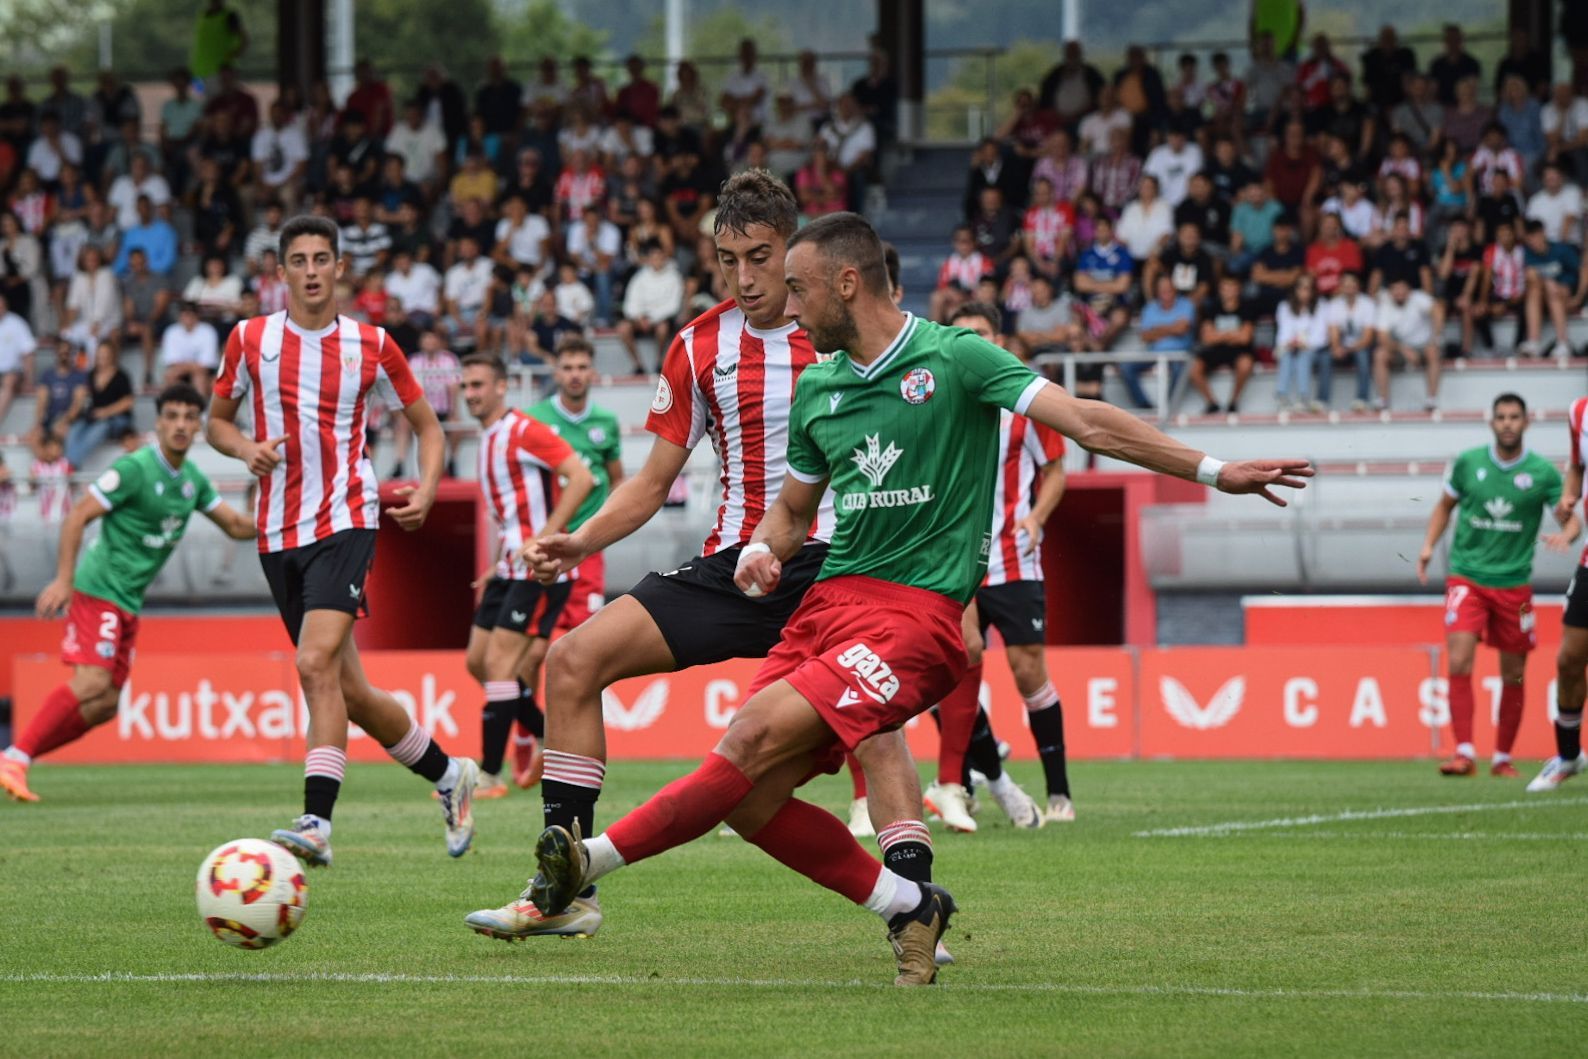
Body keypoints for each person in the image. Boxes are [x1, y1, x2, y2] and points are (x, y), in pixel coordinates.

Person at [492, 210, 1311, 985]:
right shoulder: (823, 391)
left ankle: (586, 861)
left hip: (912, 615)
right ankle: (911, 903)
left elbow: (1088, 423)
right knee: (750, 798)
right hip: (823, 606)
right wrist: (760, 553)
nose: (790, 312)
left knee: (751, 745)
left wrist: (1214, 469)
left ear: (847, 283)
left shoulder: (958, 358)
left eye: (800, 289)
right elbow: (792, 510)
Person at [462, 172, 936, 946]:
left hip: (839, 566)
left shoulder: (851, 331)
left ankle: (916, 907)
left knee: (874, 727)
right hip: (735, 567)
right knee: (574, 660)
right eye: (727, 261)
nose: (745, 278)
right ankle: (560, 888)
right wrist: (579, 539)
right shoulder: (698, 345)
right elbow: (652, 483)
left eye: (759, 257)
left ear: (795, 249)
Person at [207, 215, 473, 866]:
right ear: (280, 272)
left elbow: (429, 427)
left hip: (346, 516)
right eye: (298, 260)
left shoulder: (374, 344)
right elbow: (216, 422)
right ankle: (449, 773)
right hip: (277, 527)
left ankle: (317, 823)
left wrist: (430, 486)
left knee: (311, 662)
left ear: (340, 268)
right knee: (347, 689)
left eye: (322, 258)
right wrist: (246, 448)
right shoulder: (248, 340)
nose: (312, 270)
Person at [0, 385, 257, 803]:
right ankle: (16, 756)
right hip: (99, 588)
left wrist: (289, 521)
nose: (180, 425)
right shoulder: (136, 468)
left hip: (127, 603)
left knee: (107, 704)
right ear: (157, 422)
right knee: (92, 681)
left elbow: (236, 526)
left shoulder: (191, 482)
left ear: (199, 426)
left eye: (189, 417)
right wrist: (63, 580)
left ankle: (15, 756)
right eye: (171, 416)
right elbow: (78, 515)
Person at [943, 302, 1075, 824]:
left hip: (1013, 555)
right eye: (962, 336)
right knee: (951, 664)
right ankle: (971, 778)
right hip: (955, 561)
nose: (972, 342)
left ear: (997, 339)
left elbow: (1058, 471)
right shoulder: (936, 398)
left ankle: (1059, 793)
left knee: (1027, 671)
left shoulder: (1026, 399)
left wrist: (1038, 516)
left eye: (980, 333)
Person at [462, 354, 594, 801]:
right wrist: (496, 561)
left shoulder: (521, 430)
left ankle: (489, 774)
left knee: (501, 666)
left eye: (478, 384)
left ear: (502, 386)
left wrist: (546, 536)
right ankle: (545, 734)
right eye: (465, 387)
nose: (470, 394)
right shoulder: (488, 439)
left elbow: (581, 477)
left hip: (538, 570)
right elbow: (511, 515)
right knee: (477, 662)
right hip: (508, 567)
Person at [1417, 394, 1569, 779]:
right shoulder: (1469, 463)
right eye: (1500, 417)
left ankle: (1502, 757)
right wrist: (1428, 545)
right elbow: (1444, 507)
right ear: (1491, 423)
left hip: (1515, 587)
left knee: (1514, 674)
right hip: (1467, 576)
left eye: (1514, 417)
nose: (1507, 423)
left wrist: (1568, 532)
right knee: (1457, 659)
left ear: (1526, 423)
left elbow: (1571, 517)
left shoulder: (1542, 473)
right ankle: (1464, 752)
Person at [1531, 397, 1588, 792]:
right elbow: (1576, 467)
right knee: (1569, 659)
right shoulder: (1579, 412)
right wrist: (1570, 498)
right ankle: (1568, 756)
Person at [1520, 219, 1587, 359]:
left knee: (1552, 289)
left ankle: (1563, 343)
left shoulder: (1561, 249)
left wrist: (1578, 298)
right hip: (1543, 299)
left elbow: (1583, 271)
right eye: (1530, 238)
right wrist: (1546, 282)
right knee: (1536, 288)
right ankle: (1534, 342)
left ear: (1543, 234)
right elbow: (1529, 278)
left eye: (1535, 236)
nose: (1533, 241)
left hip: (1566, 294)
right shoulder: (1528, 254)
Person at [1373, 278, 1444, 411]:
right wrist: (1403, 349)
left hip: (1424, 345)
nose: (1399, 292)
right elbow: (1382, 338)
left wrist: (1435, 338)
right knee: (1380, 354)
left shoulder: (1419, 298)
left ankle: (1431, 399)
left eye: (1402, 288)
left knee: (1433, 351)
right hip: (1400, 348)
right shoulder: (1385, 304)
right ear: (1390, 292)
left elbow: (1437, 311)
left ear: (1410, 290)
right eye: (1395, 289)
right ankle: (1383, 400)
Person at [1127, 274, 1194, 411]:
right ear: (1157, 291)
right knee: (1125, 367)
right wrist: (1172, 328)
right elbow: (1145, 336)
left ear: (1175, 289)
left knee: (1179, 368)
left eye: (1169, 289)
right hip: (1154, 353)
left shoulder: (1186, 304)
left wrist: (1158, 329)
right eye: (1162, 289)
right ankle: (1144, 405)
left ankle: (1168, 408)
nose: (1166, 292)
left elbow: (1182, 329)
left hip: (1179, 354)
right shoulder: (1150, 308)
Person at [1191, 274, 1256, 414]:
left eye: (1232, 287)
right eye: (1225, 287)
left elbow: (1245, 338)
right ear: (1220, 290)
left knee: (1246, 364)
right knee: (1193, 368)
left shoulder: (1247, 307)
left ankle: (1233, 402)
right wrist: (1233, 334)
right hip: (1215, 351)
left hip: (1239, 351)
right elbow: (1207, 338)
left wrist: (1219, 334)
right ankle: (1211, 403)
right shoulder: (1211, 307)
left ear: (1238, 289)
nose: (1229, 291)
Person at [617, 241, 685, 373]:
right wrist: (639, 317)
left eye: (659, 257)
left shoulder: (674, 277)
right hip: (640, 319)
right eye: (653, 258)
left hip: (662, 320)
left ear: (665, 258)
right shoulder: (639, 277)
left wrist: (652, 319)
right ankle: (638, 365)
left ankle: (659, 362)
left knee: (662, 328)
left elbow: (673, 305)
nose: (656, 260)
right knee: (622, 328)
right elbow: (631, 301)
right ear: (648, 260)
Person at [65, 340, 133, 468]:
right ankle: (69, 463)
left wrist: (105, 412)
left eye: (105, 354)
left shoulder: (121, 376)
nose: (102, 357)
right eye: (100, 354)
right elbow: (86, 401)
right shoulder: (90, 375)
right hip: (93, 417)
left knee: (100, 428)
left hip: (115, 419)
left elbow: (128, 402)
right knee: (75, 429)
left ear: (112, 355)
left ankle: (70, 466)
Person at [1322, 271, 1377, 412]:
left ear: (1358, 286)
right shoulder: (1334, 305)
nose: (1349, 287)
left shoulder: (1368, 304)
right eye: (1345, 284)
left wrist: (1349, 349)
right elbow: (1333, 332)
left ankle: (1362, 399)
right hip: (1342, 348)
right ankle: (1322, 400)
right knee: (1326, 357)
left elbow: (1367, 338)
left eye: (1352, 284)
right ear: (1340, 287)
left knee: (1362, 355)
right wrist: (1336, 347)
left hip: (1362, 347)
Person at [1274, 274, 1327, 412]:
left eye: (1308, 288)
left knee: (1303, 355)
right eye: (1301, 288)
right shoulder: (1284, 306)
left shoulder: (1321, 305)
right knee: (1286, 355)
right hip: (1290, 347)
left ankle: (1303, 397)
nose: (1304, 292)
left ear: (1313, 291)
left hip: (1313, 348)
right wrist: (1290, 343)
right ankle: (1282, 396)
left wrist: (1304, 343)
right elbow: (1283, 333)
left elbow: (1321, 335)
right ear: (1295, 290)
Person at [159, 301, 219, 397]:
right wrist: (190, 367)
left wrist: (188, 367)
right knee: (170, 375)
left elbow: (206, 365)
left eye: (190, 314)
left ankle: (201, 408)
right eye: (184, 314)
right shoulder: (171, 331)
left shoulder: (208, 331)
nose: (187, 317)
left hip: (203, 372)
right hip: (180, 372)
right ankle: (174, 407)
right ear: (180, 316)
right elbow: (172, 362)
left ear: (197, 315)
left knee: (199, 376)